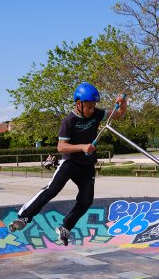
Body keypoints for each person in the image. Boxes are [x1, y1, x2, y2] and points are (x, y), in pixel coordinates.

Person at [9, 82, 127, 246]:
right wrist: (82, 147)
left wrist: (123, 103)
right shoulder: (69, 121)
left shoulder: (96, 114)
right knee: (52, 190)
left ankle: (65, 227)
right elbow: (61, 147)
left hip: (87, 165)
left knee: (86, 200)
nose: (92, 109)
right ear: (79, 104)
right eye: (89, 106)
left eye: (94, 106)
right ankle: (24, 216)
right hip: (70, 162)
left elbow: (119, 114)